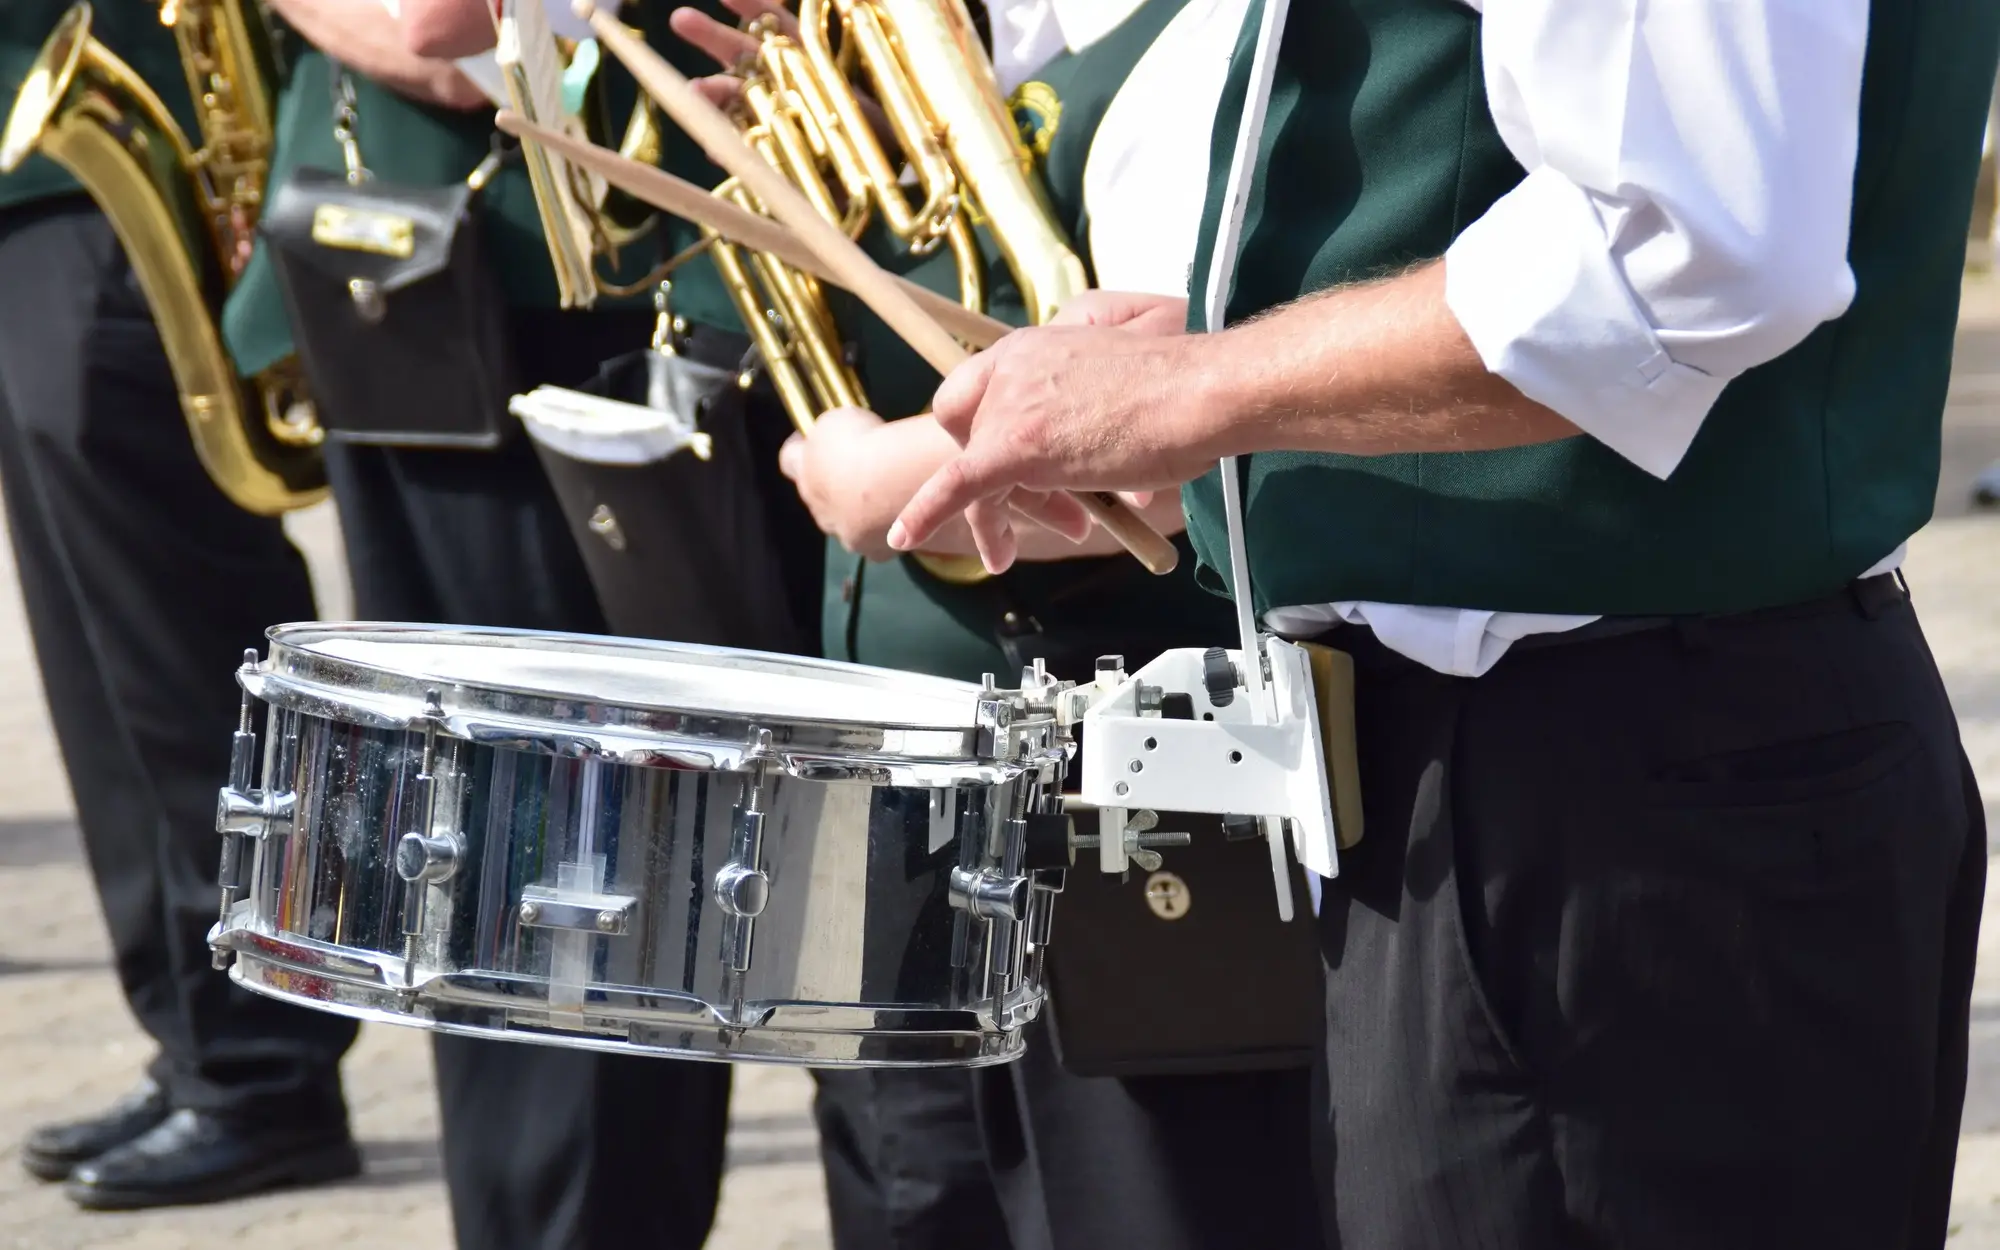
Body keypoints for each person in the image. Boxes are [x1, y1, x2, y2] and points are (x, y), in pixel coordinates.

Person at [882, 1, 1999, 1247]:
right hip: (1570, 777)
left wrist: (1197, 388)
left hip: (1619, 793)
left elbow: (1691, 247)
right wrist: (1212, 389)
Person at [675, 2, 1323, 1247]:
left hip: (1126, 795)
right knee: (911, 1182)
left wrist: (887, 482)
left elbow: (1183, 450)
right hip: (901, 763)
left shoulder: (1200, 45)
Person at [220, 6, 734, 1247]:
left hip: (585, 256)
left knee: (570, 842)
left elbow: (444, 37)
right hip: (403, 240)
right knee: (473, 832)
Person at [0, 1, 361, 1210]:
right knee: (96, 657)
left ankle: (267, 1066)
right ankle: (202, 1046)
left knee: (173, 639)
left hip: (111, 146)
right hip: (33, 171)